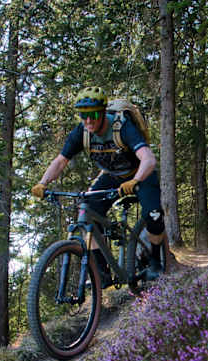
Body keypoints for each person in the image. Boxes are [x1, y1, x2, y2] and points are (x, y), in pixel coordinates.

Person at [31, 86, 165, 283]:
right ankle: (102, 273)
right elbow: (61, 161)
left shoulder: (122, 126)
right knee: (86, 212)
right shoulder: (82, 132)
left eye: (93, 115)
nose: (88, 120)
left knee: (153, 214)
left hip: (140, 173)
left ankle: (155, 261)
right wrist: (42, 183)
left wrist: (136, 180)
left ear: (103, 112)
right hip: (111, 175)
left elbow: (148, 159)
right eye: (82, 115)